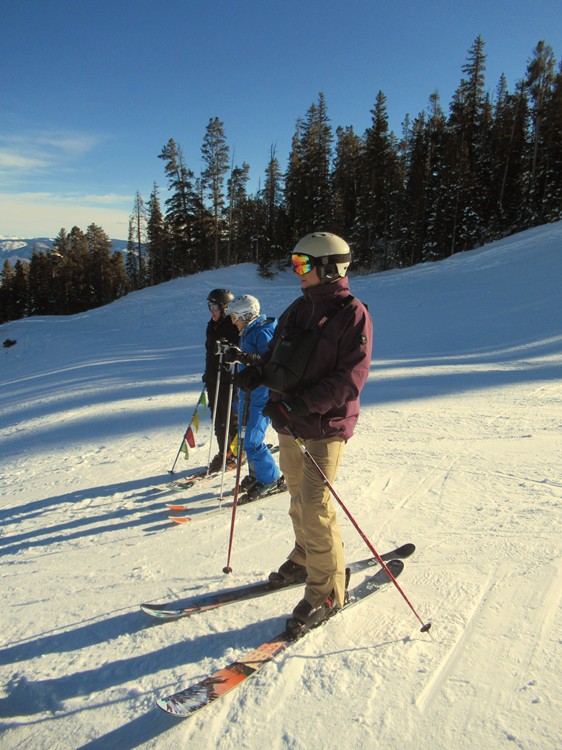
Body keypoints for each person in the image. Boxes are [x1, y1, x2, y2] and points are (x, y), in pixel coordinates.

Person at [235, 232, 373, 632]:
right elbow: (276, 355)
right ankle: (305, 556)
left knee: (315, 504)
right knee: (297, 498)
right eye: (294, 263)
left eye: (303, 264)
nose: (296, 271)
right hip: (289, 422)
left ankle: (328, 590)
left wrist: (301, 405)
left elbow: (349, 380)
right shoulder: (298, 308)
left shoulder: (352, 314)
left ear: (329, 267)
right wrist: (258, 373)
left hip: (324, 426)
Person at [225, 294, 284, 499]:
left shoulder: (263, 331)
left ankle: (270, 478)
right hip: (248, 393)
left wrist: (242, 356)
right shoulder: (249, 331)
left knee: (252, 440)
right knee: (244, 439)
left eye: (235, 317)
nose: (234, 322)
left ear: (248, 315)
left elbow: (269, 361)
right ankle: (256, 474)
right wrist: (236, 355)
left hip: (261, 395)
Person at [204, 289, 239, 473]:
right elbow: (210, 353)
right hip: (214, 379)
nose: (212, 311)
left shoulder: (233, 326)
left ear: (225, 308)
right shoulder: (212, 326)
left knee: (230, 419)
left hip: (228, 380)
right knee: (217, 419)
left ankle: (236, 452)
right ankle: (224, 451)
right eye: (209, 306)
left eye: (215, 307)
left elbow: (239, 353)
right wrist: (208, 373)